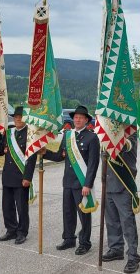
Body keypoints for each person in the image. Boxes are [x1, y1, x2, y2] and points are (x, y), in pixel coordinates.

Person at [45, 105, 100, 255]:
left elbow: (93, 164)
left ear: (86, 120)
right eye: (76, 117)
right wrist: (44, 153)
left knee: (84, 214)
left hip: (82, 184)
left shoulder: (92, 137)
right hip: (68, 182)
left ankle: (85, 242)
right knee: (68, 212)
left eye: (81, 117)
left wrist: (88, 184)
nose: (77, 119)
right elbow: (59, 156)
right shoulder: (68, 136)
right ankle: (69, 239)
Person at [0, 106, 37, 244]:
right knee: (7, 205)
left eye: (20, 116)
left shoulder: (30, 134)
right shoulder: (8, 133)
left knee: (21, 207)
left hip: (21, 176)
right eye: (16, 116)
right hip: (8, 176)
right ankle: (11, 230)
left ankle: (22, 232)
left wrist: (28, 177)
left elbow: (32, 157)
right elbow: (0, 151)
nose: (18, 119)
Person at [102, 132, 140, 273]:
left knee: (127, 223)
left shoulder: (131, 134)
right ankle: (116, 249)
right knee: (111, 221)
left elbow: (125, 146)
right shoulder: (106, 132)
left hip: (123, 185)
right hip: (108, 184)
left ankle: (133, 256)